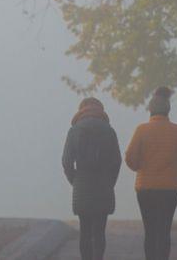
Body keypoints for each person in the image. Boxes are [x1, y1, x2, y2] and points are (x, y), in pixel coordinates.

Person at [124, 87, 177, 260]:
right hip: (170, 189)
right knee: (164, 230)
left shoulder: (142, 130)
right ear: (168, 110)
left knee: (150, 230)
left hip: (146, 188)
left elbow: (130, 158)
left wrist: (140, 167)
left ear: (150, 110)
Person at [62, 97, 121, 260]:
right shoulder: (109, 130)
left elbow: (66, 161)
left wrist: (75, 180)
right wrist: (110, 182)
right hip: (103, 185)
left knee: (85, 231)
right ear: (100, 110)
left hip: (82, 184)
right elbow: (117, 162)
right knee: (99, 232)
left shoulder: (74, 130)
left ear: (81, 110)